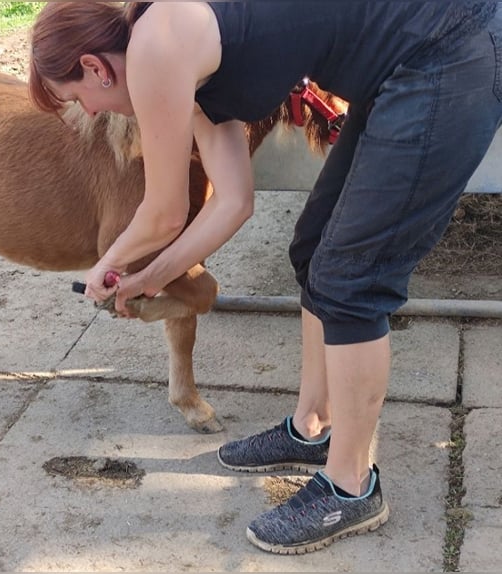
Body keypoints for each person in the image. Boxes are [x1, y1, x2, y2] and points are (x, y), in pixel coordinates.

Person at [28, 1, 502, 554]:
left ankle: (352, 486)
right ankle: (312, 428)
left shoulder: (155, 48)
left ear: (95, 67)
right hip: (406, 65)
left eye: (78, 99)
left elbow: (163, 212)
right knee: (313, 250)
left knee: (351, 280)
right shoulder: (182, 58)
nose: (90, 109)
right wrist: (146, 278)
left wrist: (105, 268)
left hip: (450, 51)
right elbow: (233, 202)